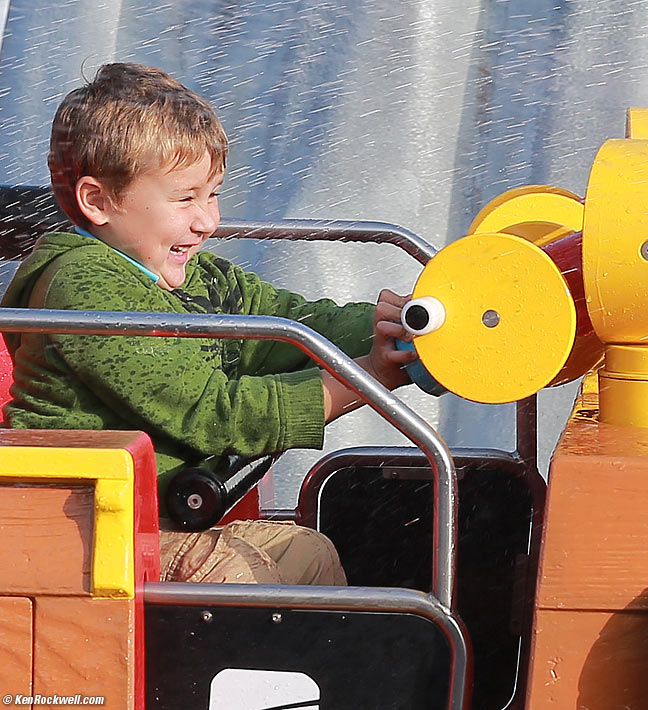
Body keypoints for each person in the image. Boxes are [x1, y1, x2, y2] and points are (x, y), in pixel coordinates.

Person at [1, 62, 417, 585]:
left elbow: (291, 323)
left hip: (152, 525)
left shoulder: (191, 276)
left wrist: (401, 327)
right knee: (232, 575)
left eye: (213, 194)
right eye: (185, 198)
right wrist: (369, 376)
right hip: (81, 541)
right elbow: (212, 413)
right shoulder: (83, 288)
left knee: (306, 552)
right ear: (98, 201)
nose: (207, 221)